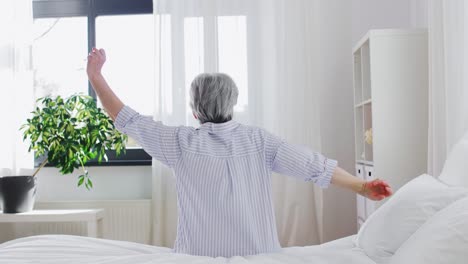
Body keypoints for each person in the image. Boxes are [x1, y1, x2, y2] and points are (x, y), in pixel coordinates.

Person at [86, 47, 392, 258]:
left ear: (195, 111)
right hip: (260, 255)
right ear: (232, 104)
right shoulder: (259, 141)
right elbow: (315, 166)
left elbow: (127, 120)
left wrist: (96, 77)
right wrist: (361, 186)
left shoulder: (179, 143)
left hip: (195, 257)